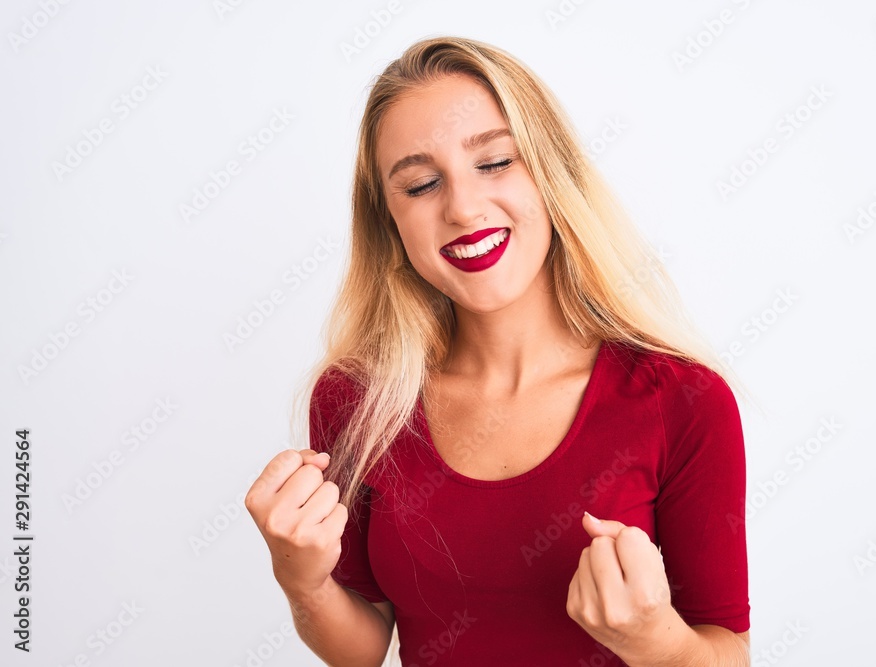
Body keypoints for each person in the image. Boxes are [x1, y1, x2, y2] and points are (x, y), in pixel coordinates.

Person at [245, 35, 753, 666]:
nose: (462, 208)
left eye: (494, 163)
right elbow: (364, 648)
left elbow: (728, 652)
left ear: (551, 174)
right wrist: (302, 583)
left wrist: (655, 640)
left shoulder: (684, 400)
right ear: (389, 223)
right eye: (421, 184)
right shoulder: (356, 401)